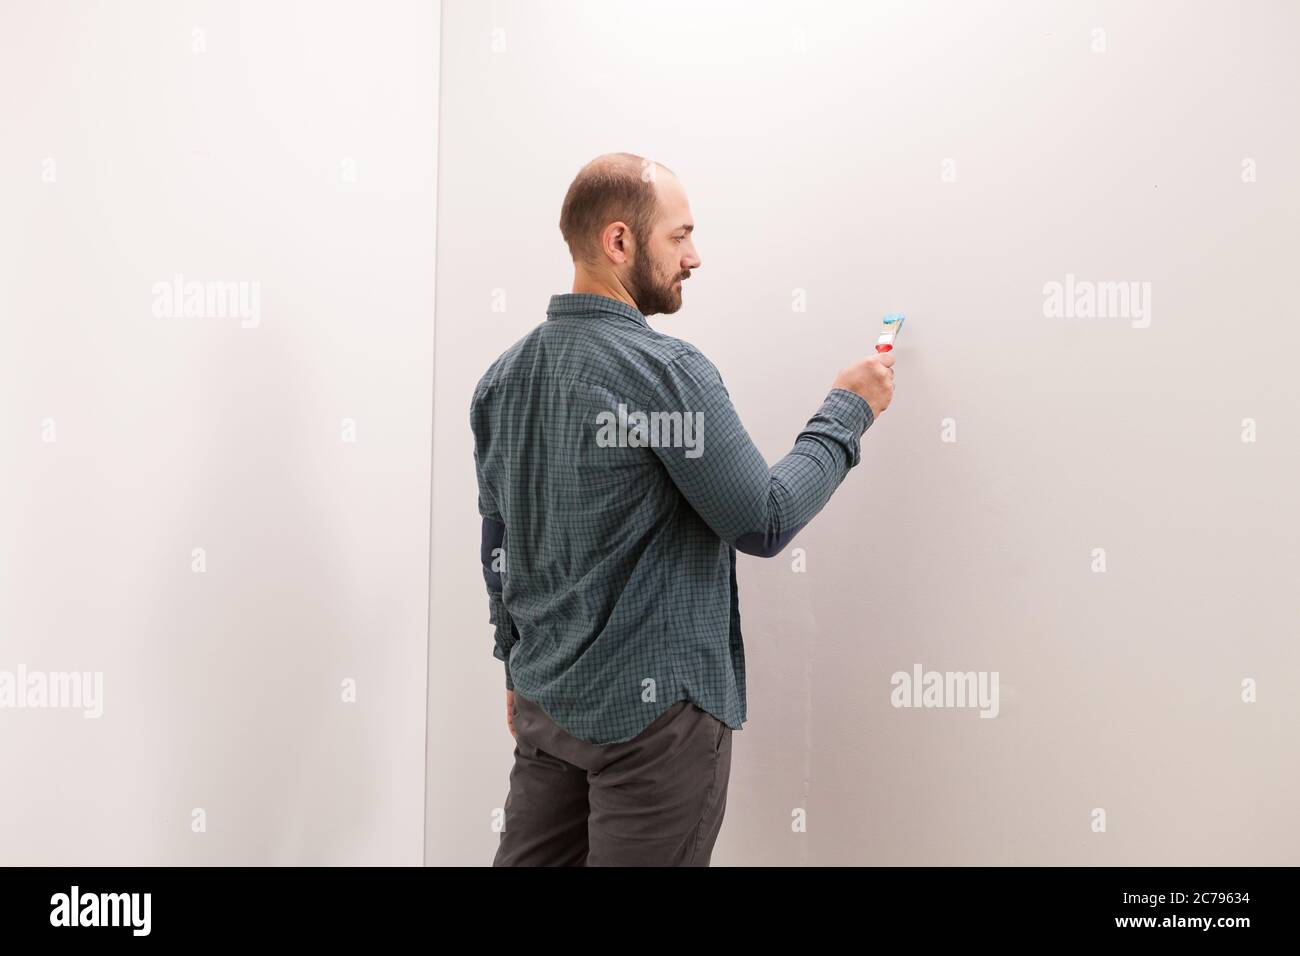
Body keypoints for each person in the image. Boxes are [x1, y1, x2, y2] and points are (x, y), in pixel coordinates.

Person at [471, 152, 895, 866]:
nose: (694, 256)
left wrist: (512, 664)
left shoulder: (501, 380)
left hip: (547, 703)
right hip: (655, 725)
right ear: (618, 242)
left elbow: (497, 542)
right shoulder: (665, 373)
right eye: (680, 235)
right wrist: (847, 412)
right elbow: (762, 520)